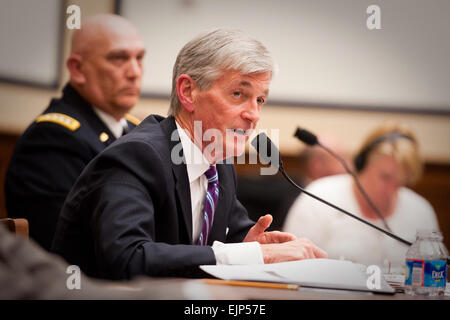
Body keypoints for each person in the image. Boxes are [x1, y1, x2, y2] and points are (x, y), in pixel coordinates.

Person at [52, 29, 327, 280]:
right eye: (237, 93)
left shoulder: (218, 164)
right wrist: (254, 256)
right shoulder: (138, 156)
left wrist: (249, 244)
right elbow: (127, 258)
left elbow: (232, 235)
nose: (253, 115)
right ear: (188, 92)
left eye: (260, 100)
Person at [5, 14, 146, 250]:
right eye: (119, 58)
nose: (134, 72)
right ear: (78, 69)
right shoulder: (51, 140)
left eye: (139, 58)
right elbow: (74, 246)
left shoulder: (135, 130)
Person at [283, 123, 440, 268]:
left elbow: (435, 273)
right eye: (385, 177)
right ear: (361, 164)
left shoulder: (420, 210)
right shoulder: (318, 196)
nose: (392, 190)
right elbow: (290, 264)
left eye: (400, 182)